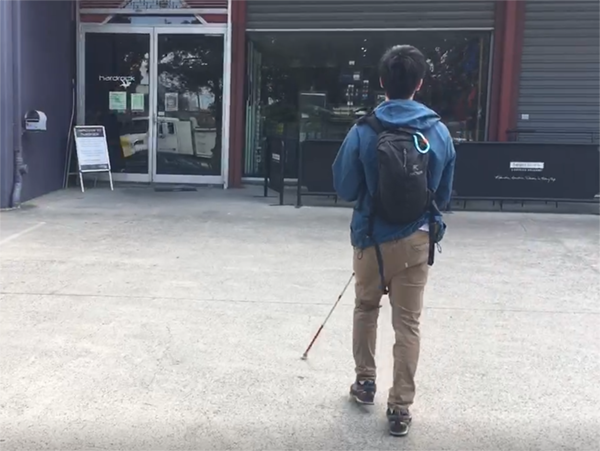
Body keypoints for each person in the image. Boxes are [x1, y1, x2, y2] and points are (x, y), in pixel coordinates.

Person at [332, 45, 456, 437]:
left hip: (370, 238)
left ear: (382, 82)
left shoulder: (363, 129)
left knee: (366, 308)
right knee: (408, 324)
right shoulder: (438, 132)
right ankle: (400, 407)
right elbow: (444, 195)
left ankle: (365, 383)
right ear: (420, 84)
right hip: (416, 240)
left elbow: (345, 187)